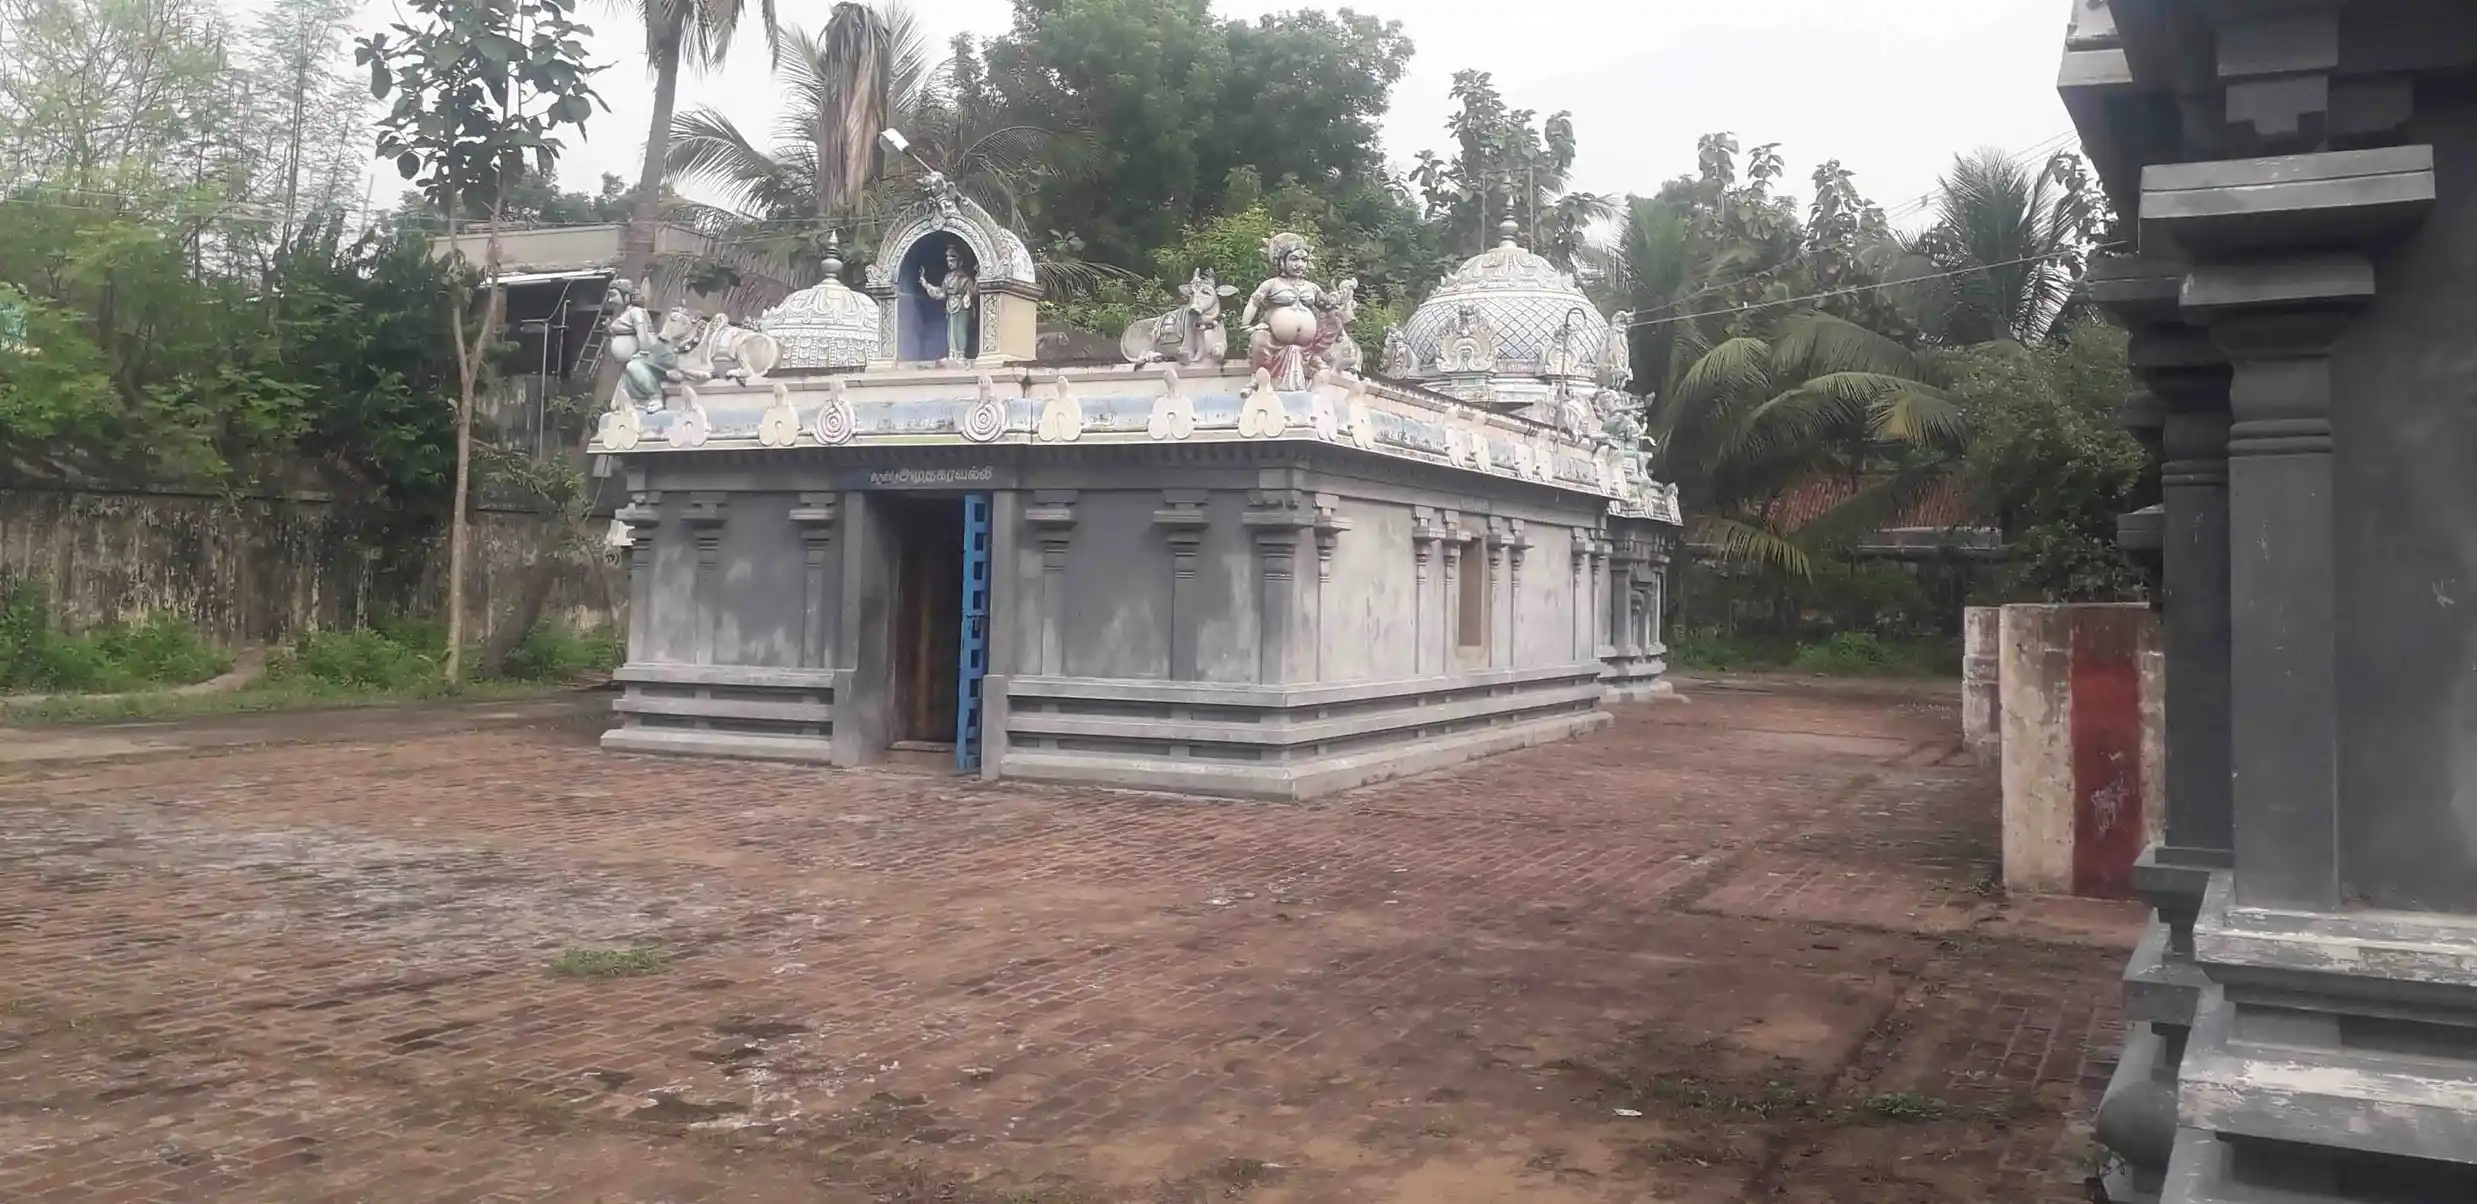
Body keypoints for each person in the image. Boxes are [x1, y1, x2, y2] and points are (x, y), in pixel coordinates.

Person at [919, 245, 978, 361]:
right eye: (948, 261)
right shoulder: (947, 277)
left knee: (960, 331)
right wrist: (926, 285)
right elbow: (942, 293)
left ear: (959, 261)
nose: (950, 263)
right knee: (951, 332)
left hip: (962, 307)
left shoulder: (965, 278)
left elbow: (973, 291)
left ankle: (961, 354)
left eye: (952, 260)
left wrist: (969, 294)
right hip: (951, 306)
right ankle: (953, 355)